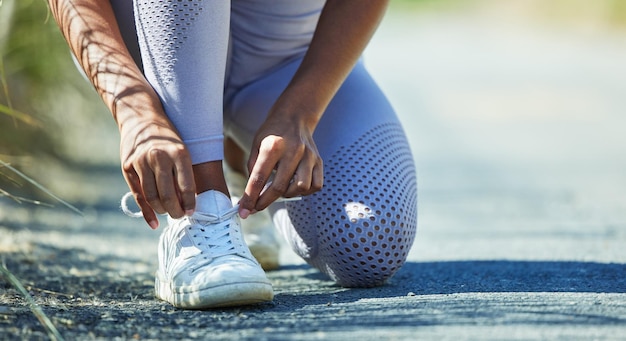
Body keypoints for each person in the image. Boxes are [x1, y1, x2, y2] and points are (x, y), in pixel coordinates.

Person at [48, 0, 418, 309]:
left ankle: (243, 168)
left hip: (285, 62)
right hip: (157, 54)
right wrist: (133, 108)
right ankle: (204, 209)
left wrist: (301, 112)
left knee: (369, 246)